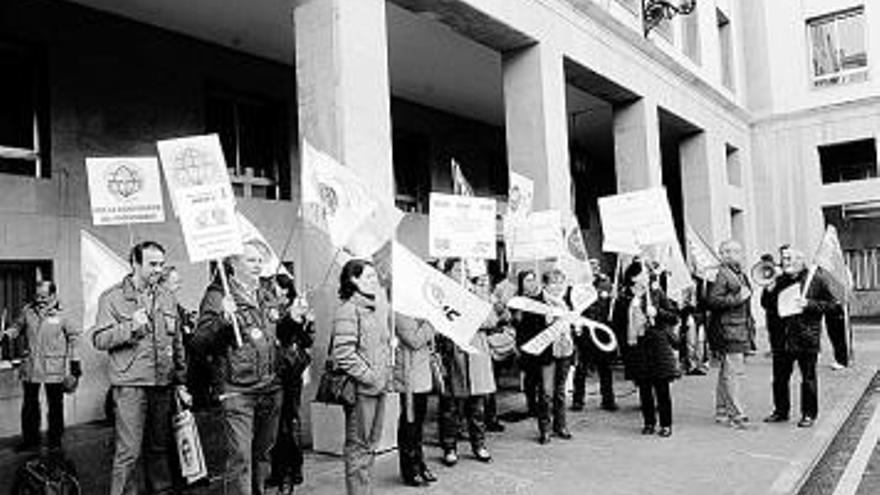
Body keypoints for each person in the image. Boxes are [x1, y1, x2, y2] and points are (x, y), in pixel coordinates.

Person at [92, 241, 189, 495]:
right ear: (134, 263)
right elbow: (99, 339)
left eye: (161, 264)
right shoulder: (112, 297)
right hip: (131, 386)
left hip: (162, 383)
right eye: (152, 264)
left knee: (159, 448)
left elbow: (177, 342)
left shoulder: (167, 296)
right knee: (129, 452)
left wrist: (180, 381)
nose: (158, 269)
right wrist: (130, 327)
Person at [191, 241, 284, 495]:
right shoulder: (218, 295)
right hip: (237, 389)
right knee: (240, 457)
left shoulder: (266, 293)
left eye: (259, 260)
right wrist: (222, 319)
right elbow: (199, 342)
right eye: (250, 260)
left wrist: (295, 321)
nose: (257, 265)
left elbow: (276, 334)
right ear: (233, 263)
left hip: (270, 386)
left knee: (262, 453)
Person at [330, 259, 393, 495]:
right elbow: (344, 353)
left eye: (374, 277)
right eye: (368, 277)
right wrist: (371, 377)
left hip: (378, 388)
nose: (374, 281)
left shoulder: (374, 307)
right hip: (362, 390)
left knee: (370, 447)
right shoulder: (348, 310)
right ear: (353, 280)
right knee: (359, 448)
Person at [760, 248, 835, 427]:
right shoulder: (779, 280)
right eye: (784, 258)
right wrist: (769, 290)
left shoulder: (815, 279)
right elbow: (766, 305)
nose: (785, 262)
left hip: (805, 336)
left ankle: (809, 414)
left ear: (801, 260)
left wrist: (809, 304)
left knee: (808, 378)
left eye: (789, 258)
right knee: (779, 378)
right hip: (782, 337)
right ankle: (781, 411)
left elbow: (832, 305)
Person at [5, 281, 80, 451]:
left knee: (55, 406)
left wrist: (75, 366)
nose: (40, 300)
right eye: (37, 296)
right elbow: (17, 326)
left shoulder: (63, 314)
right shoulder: (27, 310)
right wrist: (8, 335)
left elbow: (75, 339)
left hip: (53, 368)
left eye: (44, 296)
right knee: (30, 406)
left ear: (53, 295)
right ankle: (30, 442)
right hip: (31, 367)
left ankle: (55, 442)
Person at [436, 260, 494, 465]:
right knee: (451, 407)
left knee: (477, 406)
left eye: (465, 270)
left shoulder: (478, 292)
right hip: (453, 355)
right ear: (448, 272)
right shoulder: (441, 293)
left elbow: (491, 320)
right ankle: (449, 447)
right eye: (457, 269)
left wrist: (472, 312)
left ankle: (479, 444)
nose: (462, 273)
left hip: (476, 355)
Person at [613, 261, 680, 437]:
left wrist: (657, 312)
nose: (647, 276)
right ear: (633, 277)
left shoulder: (656, 294)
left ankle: (666, 424)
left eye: (648, 273)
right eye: (643, 273)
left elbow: (674, 317)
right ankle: (649, 422)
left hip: (657, 345)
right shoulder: (623, 297)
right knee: (644, 387)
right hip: (637, 347)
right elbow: (618, 325)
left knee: (662, 387)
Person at [268, 273, 315, 494]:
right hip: (273, 374)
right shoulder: (269, 309)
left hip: (289, 374)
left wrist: (301, 321)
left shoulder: (296, 310)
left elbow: (304, 340)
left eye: (275, 287)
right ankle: (285, 470)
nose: (273, 290)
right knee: (279, 426)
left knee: (287, 424)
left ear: (285, 290)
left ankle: (288, 472)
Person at [706, 239, 754, 429]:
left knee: (727, 373)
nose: (728, 254)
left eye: (733, 251)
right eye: (725, 251)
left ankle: (722, 411)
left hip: (737, 327)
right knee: (733, 373)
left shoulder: (738, 272)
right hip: (730, 330)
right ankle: (736, 414)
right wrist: (736, 298)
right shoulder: (722, 274)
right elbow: (713, 300)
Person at [393, 313, 439, 486]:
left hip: (421, 376)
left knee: (418, 425)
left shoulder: (421, 313)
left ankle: (420, 463)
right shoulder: (400, 314)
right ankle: (409, 469)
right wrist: (431, 323)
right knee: (409, 425)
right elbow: (414, 340)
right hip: (409, 377)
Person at [572, 259, 618, 412]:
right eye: (591, 266)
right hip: (585, 330)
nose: (594, 269)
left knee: (605, 367)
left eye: (597, 266)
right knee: (582, 368)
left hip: (602, 330)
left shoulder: (605, 282)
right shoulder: (579, 286)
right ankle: (578, 400)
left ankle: (608, 399)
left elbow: (609, 303)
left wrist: (613, 298)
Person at [541, 269, 575, 440]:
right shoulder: (539, 302)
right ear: (545, 285)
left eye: (560, 282)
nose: (557, 286)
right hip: (547, 352)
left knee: (560, 391)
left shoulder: (566, 302)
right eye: (553, 282)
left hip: (564, 350)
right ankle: (545, 429)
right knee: (547, 392)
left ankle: (560, 426)